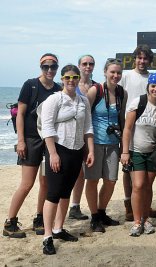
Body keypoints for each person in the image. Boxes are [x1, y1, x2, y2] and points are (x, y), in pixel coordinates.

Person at [3, 53, 62, 238]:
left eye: (53, 67)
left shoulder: (58, 88)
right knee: (27, 184)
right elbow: (20, 114)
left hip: (48, 140)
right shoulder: (30, 85)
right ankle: (10, 222)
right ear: (41, 67)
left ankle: (39, 219)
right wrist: (20, 141)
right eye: (46, 67)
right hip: (30, 140)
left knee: (45, 183)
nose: (50, 70)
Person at [40, 64, 94, 255]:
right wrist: (53, 154)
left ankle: (58, 229)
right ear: (62, 79)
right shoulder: (54, 99)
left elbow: (88, 127)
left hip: (77, 150)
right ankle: (47, 236)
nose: (71, 81)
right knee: (53, 194)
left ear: (79, 79)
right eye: (67, 77)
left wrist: (90, 151)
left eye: (75, 77)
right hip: (58, 149)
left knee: (66, 193)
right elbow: (47, 127)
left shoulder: (83, 101)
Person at [121, 73, 156, 237]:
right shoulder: (138, 102)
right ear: (148, 86)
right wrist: (125, 151)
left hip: (154, 153)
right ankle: (136, 221)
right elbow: (127, 129)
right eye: (153, 86)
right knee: (138, 185)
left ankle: (146, 218)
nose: (155, 89)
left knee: (147, 186)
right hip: (137, 151)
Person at [85, 58, 127, 233]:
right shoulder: (95, 90)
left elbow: (123, 120)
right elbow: (85, 119)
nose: (115, 76)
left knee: (111, 181)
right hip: (94, 143)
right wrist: (87, 148)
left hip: (113, 144)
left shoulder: (121, 93)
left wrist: (125, 147)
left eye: (118, 73)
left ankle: (102, 212)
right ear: (105, 72)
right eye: (112, 72)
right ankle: (94, 217)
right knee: (93, 180)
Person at [119, 44, 154, 222]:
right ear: (135, 58)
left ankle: (144, 205)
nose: (142, 61)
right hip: (129, 128)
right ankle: (128, 204)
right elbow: (118, 99)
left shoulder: (152, 78)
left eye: (145, 58)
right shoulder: (126, 76)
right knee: (128, 170)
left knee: (145, 171)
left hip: (147, 130)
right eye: (139, 57)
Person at [68, 55, 97, 221]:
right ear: (79, 65)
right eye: (84, 63)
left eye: (91, 64)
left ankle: (75, 206)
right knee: (75, 172)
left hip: (90, 133)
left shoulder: (96, 86)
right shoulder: (71, 85)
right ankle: (73, 204)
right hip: (73, 133)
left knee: (85, 173)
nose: (88, 66)